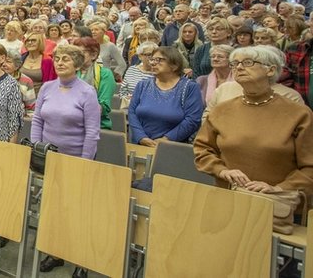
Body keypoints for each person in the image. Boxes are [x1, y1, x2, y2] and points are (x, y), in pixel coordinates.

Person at [195, 45, 313, 199]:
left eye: (248, 62)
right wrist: (221, 170)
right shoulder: (221, 110)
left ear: (270, 70)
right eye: (235, 63)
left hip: (276, 203)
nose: (239, 67)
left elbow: (309, 167)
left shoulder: (298, 113)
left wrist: (278, 188)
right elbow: (203, 149)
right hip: (226, 198)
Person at [32, 43, 101, 275]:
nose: (60, 62)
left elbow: (92, 132)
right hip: (50, 157)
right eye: (58, 58)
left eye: (66, 59)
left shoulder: (87, 92)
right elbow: (38, 121)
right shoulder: (47, 88)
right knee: (53, 209)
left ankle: (80, 261)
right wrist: (36, 148)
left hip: (76, 159)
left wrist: (83, 162)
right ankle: (56, 253)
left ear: (77, 64)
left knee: (76, 212)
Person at [127, 46, 203, 147]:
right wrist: (141, 137)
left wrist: (166, 139)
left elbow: (193, 120)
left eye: (159, 60)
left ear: (174, 65)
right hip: (140, 145)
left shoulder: (189, 87)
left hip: (173, 148)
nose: (153, 63)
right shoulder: (142, 85)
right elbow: (132, 112)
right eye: (152, 59)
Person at [72, 36, 116, 129]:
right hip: (69, 123)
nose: (76, 56)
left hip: (96, 126)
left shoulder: (104, 74)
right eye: (74, 53)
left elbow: (104, 106)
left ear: (94, 55)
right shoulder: (71, 72)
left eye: (82, 52)